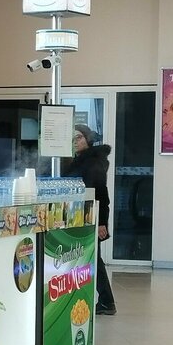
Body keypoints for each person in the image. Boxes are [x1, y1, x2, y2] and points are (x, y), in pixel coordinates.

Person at [64, 123, 117, 315]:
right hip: (79, 214)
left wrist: (102, 222)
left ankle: (107, 301)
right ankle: (105, 301)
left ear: (88, 139)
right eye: (72, 139)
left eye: (78, 137)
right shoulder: (78, 160)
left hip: (90, 215)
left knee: (94, 260)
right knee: (92, 259)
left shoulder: (93, 162)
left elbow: (102, 194)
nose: (75, 142)